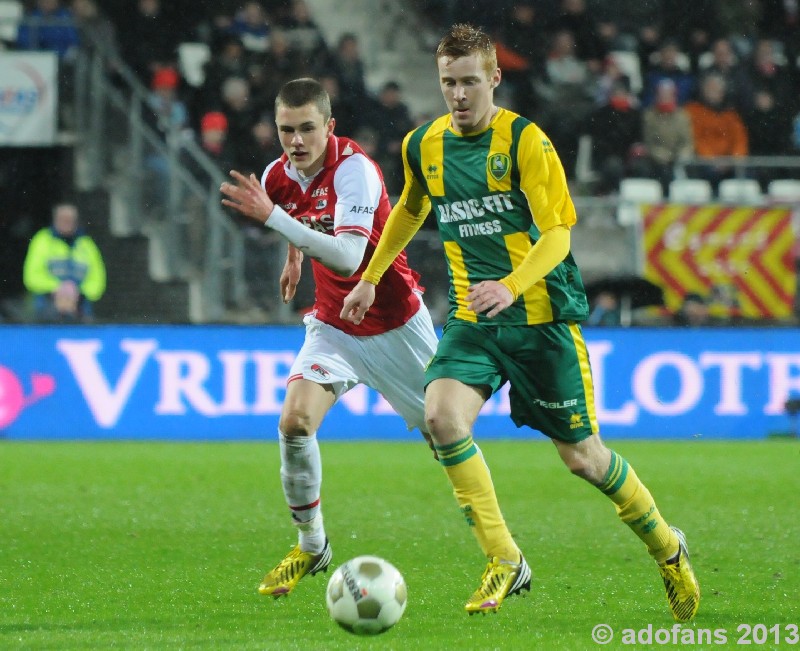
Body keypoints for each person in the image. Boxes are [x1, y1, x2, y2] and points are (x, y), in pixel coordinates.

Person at [341, 23, 700, 621]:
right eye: (448, 83)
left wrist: (510, 285)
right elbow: (410, 208)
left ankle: (666, 546)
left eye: (469, 83)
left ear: (494, 79)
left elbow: (559, 233)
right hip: (473, 317)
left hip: (541, 319)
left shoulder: (525, 142)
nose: (457, 95)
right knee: (441, 418)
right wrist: (372, 275)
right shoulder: (422, 145)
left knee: (584, 458)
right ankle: (505, 559)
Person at [219, 78, 439, 597]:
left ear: (330, 127)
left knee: (446, 438)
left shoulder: (355, 171)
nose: (295, 141)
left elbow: (346, 256)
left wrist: (275, 220)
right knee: (294, 423)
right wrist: (293, 256)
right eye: (285, 129)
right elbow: (294, 215)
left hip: (396, 323)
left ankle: (502, 554)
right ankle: (312, 545)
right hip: (335, 325)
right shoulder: (278, 175)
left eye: (307, 129)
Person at [23, 202, 106, 322]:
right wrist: (57, 287)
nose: (66, 222)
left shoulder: (86, 244)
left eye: (70, 219)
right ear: (55, 219)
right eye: (62, 218)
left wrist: (77, 291)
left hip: (80, 311)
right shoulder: (43, 240)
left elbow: (98, 282)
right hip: (46, 310)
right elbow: (31, 277)